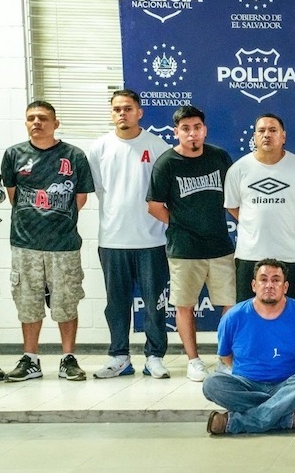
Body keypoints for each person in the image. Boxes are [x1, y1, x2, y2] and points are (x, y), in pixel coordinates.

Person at [1, 101, 94, 382]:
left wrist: (55, 217)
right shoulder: (13, 154)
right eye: (31, 118)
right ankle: (30, 359)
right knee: (27, 302)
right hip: (25, 243)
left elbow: (80, 197)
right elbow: (13, 195)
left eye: (42, 118)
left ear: (56, 123)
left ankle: (68, 359)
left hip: (63, 244)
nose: (36, 122)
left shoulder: (74, 156)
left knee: (66, 302)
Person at [85, 89, 172, 379]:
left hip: (152, 240)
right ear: (112, 113)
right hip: (113, 240)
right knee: (116, 304)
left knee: (154, 303)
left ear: (139, 112)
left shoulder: (157, 146)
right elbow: (100, 190)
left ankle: (155, 357)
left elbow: (164, 192)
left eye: (128, 108)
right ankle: (119, 356)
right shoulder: (99, 148)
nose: (122, 113)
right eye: (117, 109)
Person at [147, 105, 236, 382]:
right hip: (184, 249)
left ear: (204, 130)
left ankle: (225, 359)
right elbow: (154, 206)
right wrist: (180, 224)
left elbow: (234, 195)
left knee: (230, 304)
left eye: (197, 127)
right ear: (176, 132)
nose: (192, 133)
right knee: (185, 305)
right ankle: (193, 361)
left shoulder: (220, 157)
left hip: (220, 246)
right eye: (185, 129)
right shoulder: (166, 163)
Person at [203, 259, 295, 435]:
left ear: (285, 287)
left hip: (288, 383)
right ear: (254, 285)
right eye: (263, 279)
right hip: (247, 386)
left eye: (276, 280)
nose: (269, 285)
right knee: (211, 384)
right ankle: (284, 417)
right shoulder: (233, 316)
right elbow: (226, 356)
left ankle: (235, 423)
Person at [224, 113, 295, 303]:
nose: (266, 134)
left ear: (283, 136)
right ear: (254, 137)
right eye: (261, 131)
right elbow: (233, 207)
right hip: (250, 255)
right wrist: (253, 223)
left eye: (273, 130)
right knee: (249, 313)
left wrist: (291, 224)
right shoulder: (238, 170)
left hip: (292, 255)